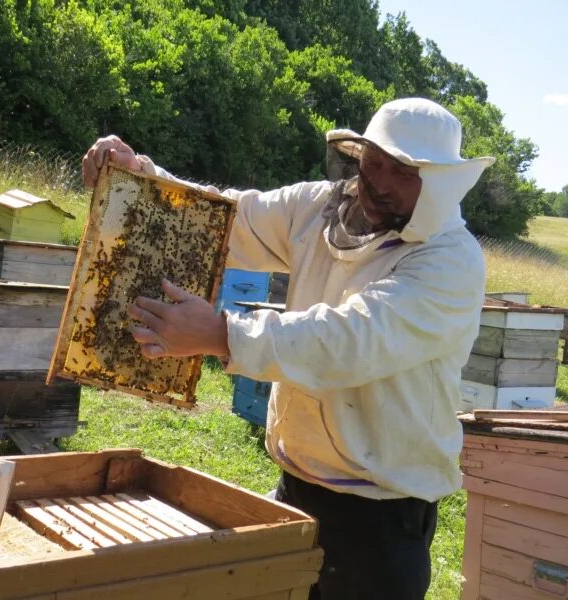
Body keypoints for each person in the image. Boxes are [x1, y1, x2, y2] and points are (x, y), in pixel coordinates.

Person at [82, 97, 495, 600]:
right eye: (373, 163)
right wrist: (142, 174)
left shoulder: (450, 260)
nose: (380, 182)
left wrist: (221, 334)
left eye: (403, 172)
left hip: (380, 517)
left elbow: (349, 341)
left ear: (439, 182)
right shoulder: (319, 208)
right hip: (296, 486)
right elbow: (227, 216)